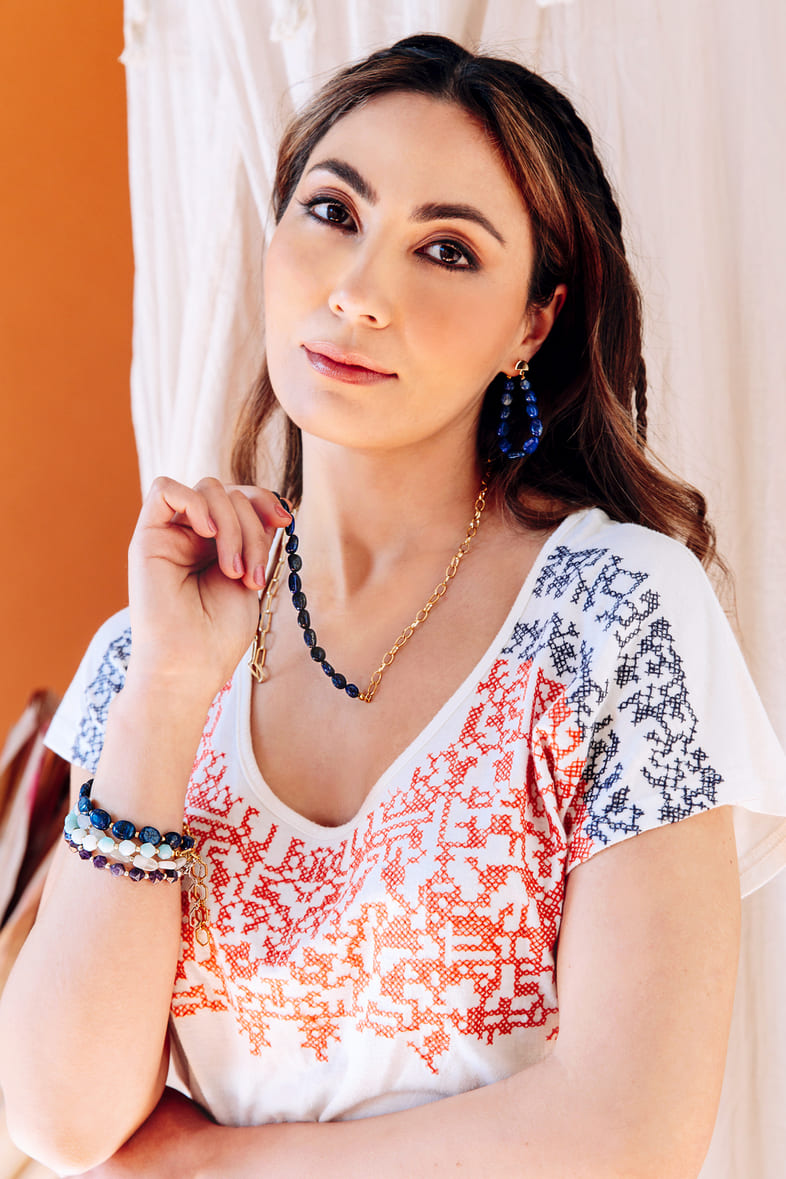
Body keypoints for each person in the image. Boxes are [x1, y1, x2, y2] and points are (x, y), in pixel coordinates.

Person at [1, 32, 785, 1179]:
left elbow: (629, 1134)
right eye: (332, 213)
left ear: (536, 322)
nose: (361, 291)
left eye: (449, 251)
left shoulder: (617, 616)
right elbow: (60, 1122)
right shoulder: (149, 650)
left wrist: (203, 1165)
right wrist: (169, 696)